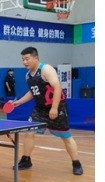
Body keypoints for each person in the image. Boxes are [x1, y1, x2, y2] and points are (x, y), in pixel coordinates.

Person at [10, 47, 83, 175]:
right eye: (23, 59)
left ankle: (76, 163)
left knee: (66, 136)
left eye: (27, 59)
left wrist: (54, 108)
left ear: (36, 58)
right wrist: (19, 102)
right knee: (29, 132)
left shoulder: (46, 69)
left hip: (57, 107)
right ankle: (26, 160)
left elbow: (57, 87)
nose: (25, 62)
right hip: (40, 109)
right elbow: (33, 92)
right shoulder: (28, 75)